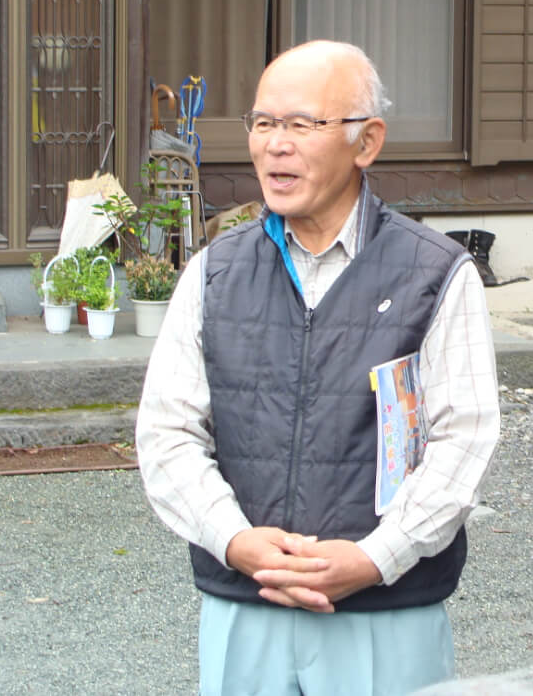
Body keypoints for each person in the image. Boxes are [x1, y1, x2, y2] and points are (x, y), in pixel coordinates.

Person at [137, 40, 501, 695]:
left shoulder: (437, 273)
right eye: (263, 123)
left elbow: (464, 439)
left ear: (367, 142)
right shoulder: (214, 272)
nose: (276, 145)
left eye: (302, 124)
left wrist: (375, 557)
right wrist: (234, 540)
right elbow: (167, 432)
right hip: (247, 602)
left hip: (387, 610)